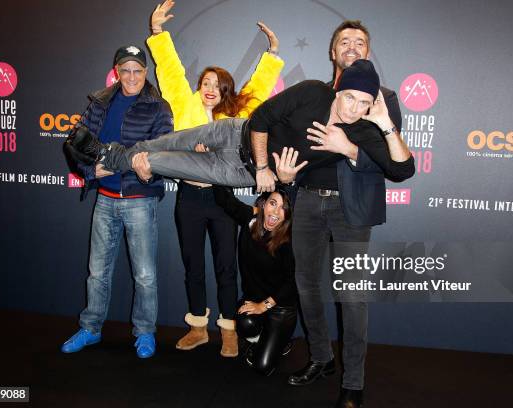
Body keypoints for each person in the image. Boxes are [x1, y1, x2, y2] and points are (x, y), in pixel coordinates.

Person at [285, 21, 413, 408]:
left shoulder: (383, 98)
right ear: (332, 52)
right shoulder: (313, 95)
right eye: (345, 41)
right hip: (306, 200)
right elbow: (291, 146)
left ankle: (353, 380)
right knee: (306, 286)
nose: (352, 46)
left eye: (360, 42)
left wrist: (349, 149)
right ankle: (321, 359)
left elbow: (393, 165)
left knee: (352, 296)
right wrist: (286, 175)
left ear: (368, 52)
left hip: (351, 206)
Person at [146, 0, 284, 358]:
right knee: (193, 264)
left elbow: (258, 91)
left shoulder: (235, 117)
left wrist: (272, 54)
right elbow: (171, 72)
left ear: (225, 92)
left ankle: (228, 331)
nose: (210, 88)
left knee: (226, 266)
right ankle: (197, 328)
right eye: (205, 82)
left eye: (217, 85)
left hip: (222, 199)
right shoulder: (183, 104)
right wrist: (158, 33)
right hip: (189, 199)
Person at [64, 60, 411, 196]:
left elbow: (402, 170)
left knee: (157, 162)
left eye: (365, 103)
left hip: (232, 169)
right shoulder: (313, 93)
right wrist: (265, 167)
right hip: (230, 132)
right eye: (350, 97)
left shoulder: (366, 127)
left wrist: (383, 125)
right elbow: (260, 119)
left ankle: (104, 154)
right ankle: (106, 153)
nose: (355, 109)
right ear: (338, 90)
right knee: (154, 145)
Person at [60, 45, 173, 359]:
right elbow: (76, 142)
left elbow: (163, 150)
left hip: (138, 199)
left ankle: (145, 332)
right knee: (97, 271)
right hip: (105, 200)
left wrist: (147, 169)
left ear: (145, 72)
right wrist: (89, 171)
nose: (132, 76)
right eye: (126, 70)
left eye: (138, 70)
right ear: (117, 72)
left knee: (145, 275)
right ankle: (91, 328)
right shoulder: (100, 102)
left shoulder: (159, 107)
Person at [212, 175, 297, 376]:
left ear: (288, 215)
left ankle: (281, 341)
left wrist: (263, 306)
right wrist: (212, 162)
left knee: (262, 368)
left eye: (283, 208)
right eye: (272, 203)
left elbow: (293, 283)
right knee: (245, 322)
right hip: (253, 299)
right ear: (262, 204)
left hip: (280, 308)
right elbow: (225, 200)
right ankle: (264, 339)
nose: (275, 212)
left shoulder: (289, 241)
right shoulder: (250, 221)